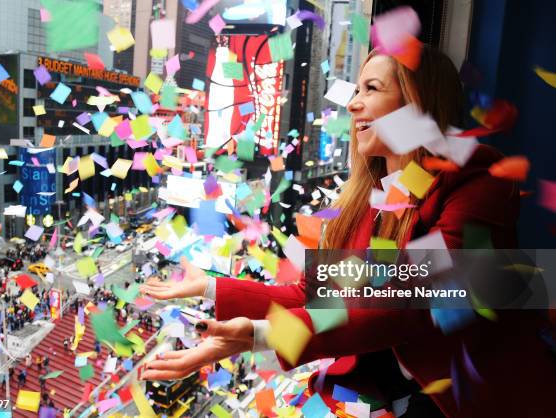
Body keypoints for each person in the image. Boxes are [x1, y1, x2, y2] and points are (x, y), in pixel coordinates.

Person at [139, 47, 556, 417]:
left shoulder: (478, 177)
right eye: (355, 91)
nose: (354, 105)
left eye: (371, 89)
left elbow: (409, 301)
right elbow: (319, 295)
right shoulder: (367, 204)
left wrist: (261, 335)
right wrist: (211, 288)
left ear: (418, 103)